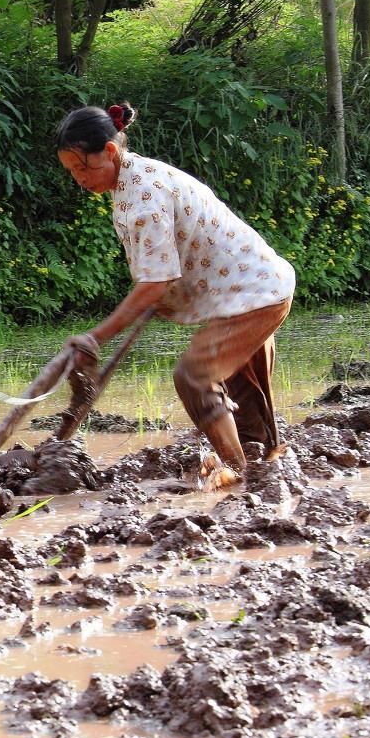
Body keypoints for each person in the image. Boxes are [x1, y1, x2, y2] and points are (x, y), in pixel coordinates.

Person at [55, 102, 296, 488]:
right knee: (244, 400)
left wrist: (96, 337)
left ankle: (238, 477)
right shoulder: (130, 182)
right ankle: (262, 474)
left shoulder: (145, 193)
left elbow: (153, 284)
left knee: (195, 377)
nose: (80, 178)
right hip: (245, 292)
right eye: (72, 172)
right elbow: (159, 272)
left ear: (111, 151)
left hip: (255, 293)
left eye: (84, 167)